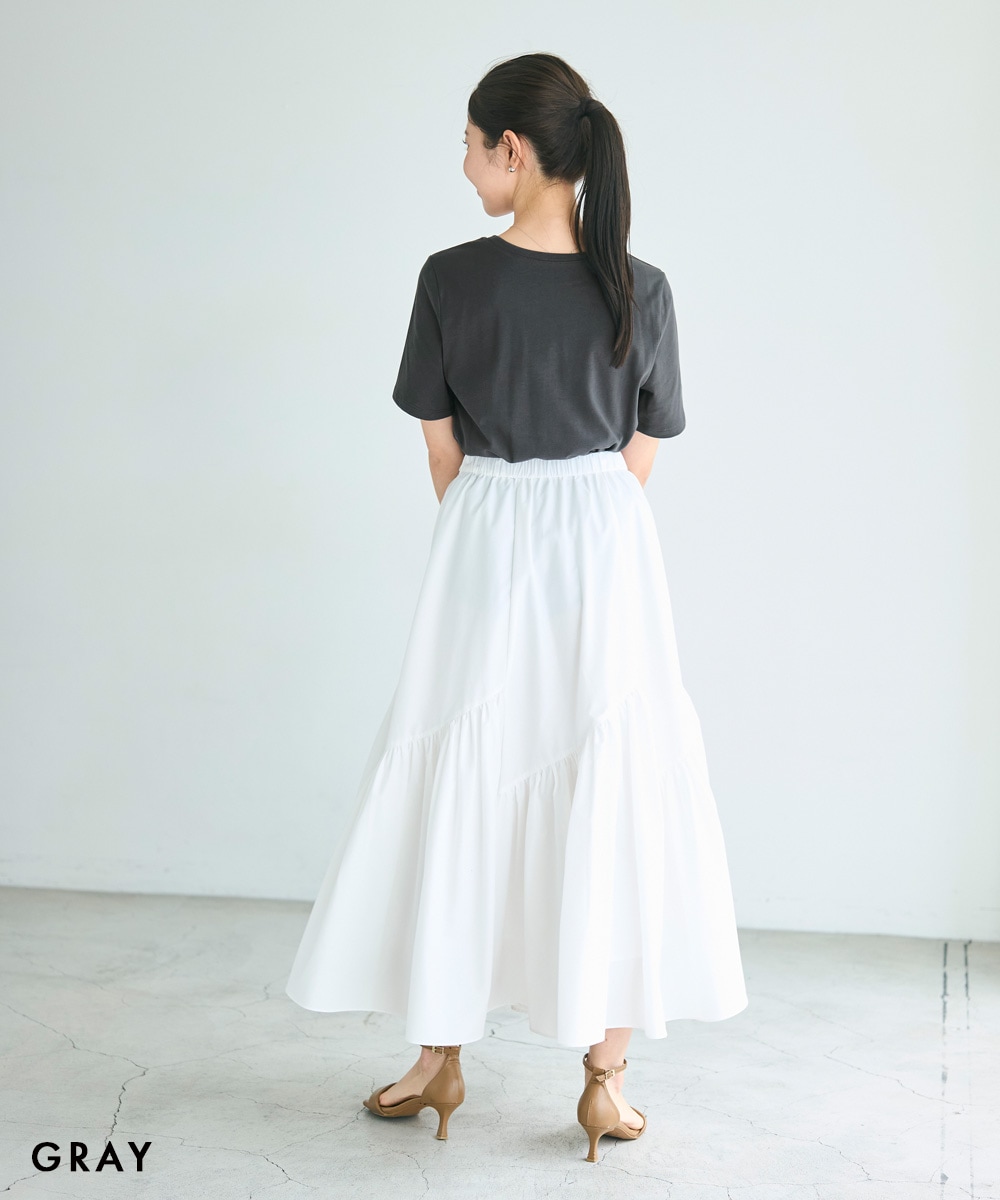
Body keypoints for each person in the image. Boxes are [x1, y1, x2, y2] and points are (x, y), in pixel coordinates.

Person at [284, 51, 748, 1164]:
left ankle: (438, 1057)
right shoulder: (642, 286)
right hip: (606, 542)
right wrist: (578, 520)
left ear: (513, 148)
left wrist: (497, 527)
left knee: (460, 767)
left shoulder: (451, 278)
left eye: (467, 143)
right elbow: (644, 447)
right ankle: (605, 1082)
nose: (462, 164)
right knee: (613, 776)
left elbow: (440, 450)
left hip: (484, 533)